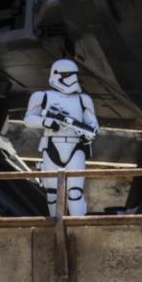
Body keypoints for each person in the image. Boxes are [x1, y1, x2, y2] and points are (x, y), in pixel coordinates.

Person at [23, 58, 99, 217]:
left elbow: (92, 124)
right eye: (68, 75)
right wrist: (47, 122)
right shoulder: (42, 97)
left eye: (73, 75)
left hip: (76, 147)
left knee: (75, 193)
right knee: (52, 193)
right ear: (58, 75)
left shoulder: (83, 99)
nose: (72, 79)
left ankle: (78, 228)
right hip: (51, 146)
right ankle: (55, 227)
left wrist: (87, 133)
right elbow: (29, 119)